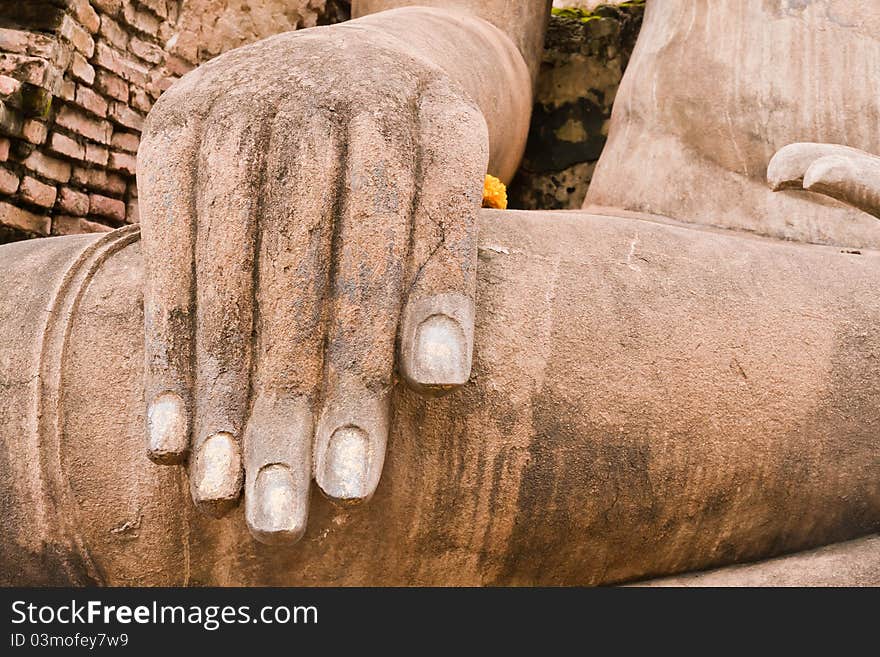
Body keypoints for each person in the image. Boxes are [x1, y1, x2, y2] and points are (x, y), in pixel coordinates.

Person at [0, 0, 878, 585]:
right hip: (645, 283)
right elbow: (476, 25)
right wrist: (364, 64)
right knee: (61, 370)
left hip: (840, 319)